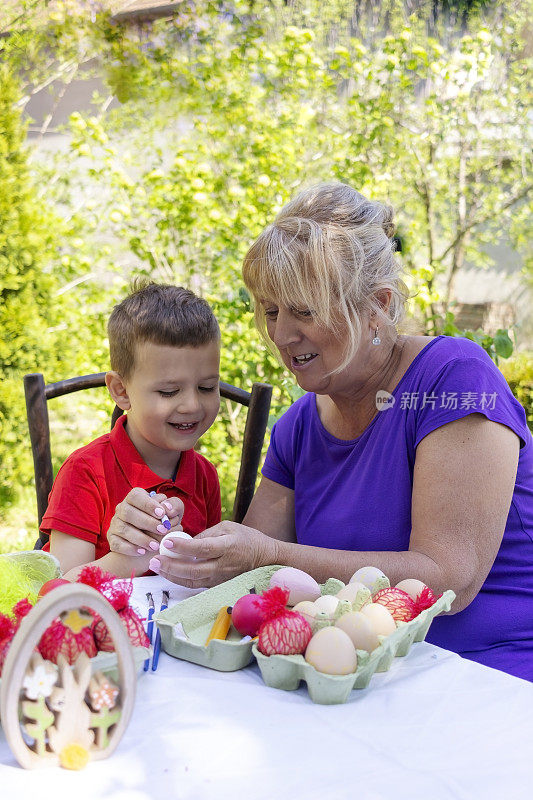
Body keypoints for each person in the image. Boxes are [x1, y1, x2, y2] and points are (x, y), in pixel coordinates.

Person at [108, 184, 533, 681]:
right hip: (350, 678)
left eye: (304, 309)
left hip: (491, 672)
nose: (282, 335)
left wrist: (266, 555)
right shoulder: (297, 427)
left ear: (377, 305)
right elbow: (247, 571)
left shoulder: (453, 379)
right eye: (271, 311)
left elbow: (448, 582)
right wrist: (166, 540)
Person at [41, 282, 222, 580]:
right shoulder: (86, 472)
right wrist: (130, 561)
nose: (191, 405)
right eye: (168, 391)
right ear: (121, 390)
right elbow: (56, 590)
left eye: (207, 387)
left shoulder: (204, 476)